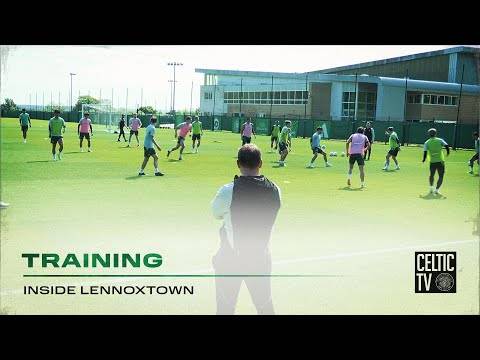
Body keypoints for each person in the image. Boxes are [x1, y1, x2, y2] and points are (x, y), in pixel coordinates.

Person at [211, 144, 281, 315]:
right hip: (260, 259)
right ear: (261, 163)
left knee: (225, 309)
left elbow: (216, 213)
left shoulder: (228, 191)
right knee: (265, 308)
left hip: (230, 260)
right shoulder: (275, 190)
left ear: (238, 164)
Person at [423, 128, 450, 195]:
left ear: (429, 134)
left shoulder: (427, 142)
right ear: (436, 133)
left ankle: (431, 188)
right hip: (440, 161)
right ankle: (437, 190)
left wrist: (424, 159)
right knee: (441, 176)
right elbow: (446, 145)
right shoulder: (440, 140)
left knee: (431, 175)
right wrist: (448, 152)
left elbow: (425, 152)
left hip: (432, 162)